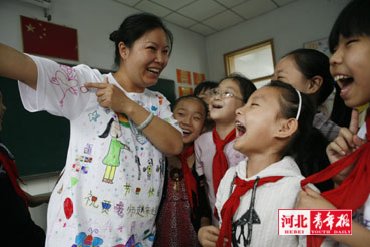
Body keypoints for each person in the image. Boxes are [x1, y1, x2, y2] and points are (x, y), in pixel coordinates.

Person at [0, 12, 183, 247]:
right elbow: (24, 67)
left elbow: (174, 144)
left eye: (165, 51)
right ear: (124, 50)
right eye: (152, 48)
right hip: (81, 236)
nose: (160, 59)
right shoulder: (89, 83)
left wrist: (126, 104)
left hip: (137, 237)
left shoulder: (159, 102)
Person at [198, 80, 317, 247]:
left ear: (285, 127)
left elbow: (333, 238)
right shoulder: (231, 178)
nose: (239, 110)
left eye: (254, 105)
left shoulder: (297, 194)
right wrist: (209, 235)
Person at [296, 0, 370, 246]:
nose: (334, 58)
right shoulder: (362, 131)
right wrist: (344, 176)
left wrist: (324, 219)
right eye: (333, 48)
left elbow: (297, 222)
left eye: (349, 43)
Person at [195, 73, 256, 227]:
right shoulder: (201, 142)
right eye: (216, 92)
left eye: (227, 93)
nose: (216, 97)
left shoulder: (250, 140)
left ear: (245, 105)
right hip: (217, 225)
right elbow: (203, 186)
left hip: (248, 222)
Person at [154, 95, 211, 247]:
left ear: (204, 126)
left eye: (196, 117)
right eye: (181, 114)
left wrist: (205, 225)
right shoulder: (155, 153)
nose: (186, 122)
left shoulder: (205, 158)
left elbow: (207, 201)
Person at [0, 89, 48, 246]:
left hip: (29, 237)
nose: (4, 108)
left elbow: (13, 195)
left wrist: (50, 197)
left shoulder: (2, 152)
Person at [274, 48, 351, 142]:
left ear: (313, 84)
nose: (270, 87)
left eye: (280, 78)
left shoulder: (330, 134)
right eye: (272, 81)